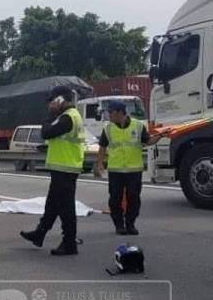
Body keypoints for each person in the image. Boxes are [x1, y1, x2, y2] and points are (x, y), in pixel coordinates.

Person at [20, 86, 85, 255]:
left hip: (65, 168)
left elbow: (47, 132)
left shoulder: (68, 117)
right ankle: (39, 233)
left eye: (52, 101)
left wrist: (50, 115)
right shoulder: (68, 116)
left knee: (66, 208)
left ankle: (69, 243)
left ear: (60, 99)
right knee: (53, 205)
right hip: (63, 167)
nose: (49, 104)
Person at [95, 101, 166, 235]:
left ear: (120, 112)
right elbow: (102, 147)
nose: (108, 115)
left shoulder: (138, 126)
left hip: (134, 170)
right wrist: (99, 164)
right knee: (114, 199)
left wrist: (160, 136)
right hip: (115, 170)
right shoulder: (108, 128)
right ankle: (119, 225)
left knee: (134, 198)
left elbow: (148, 141)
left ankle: (130, 224)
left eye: (111, 112)